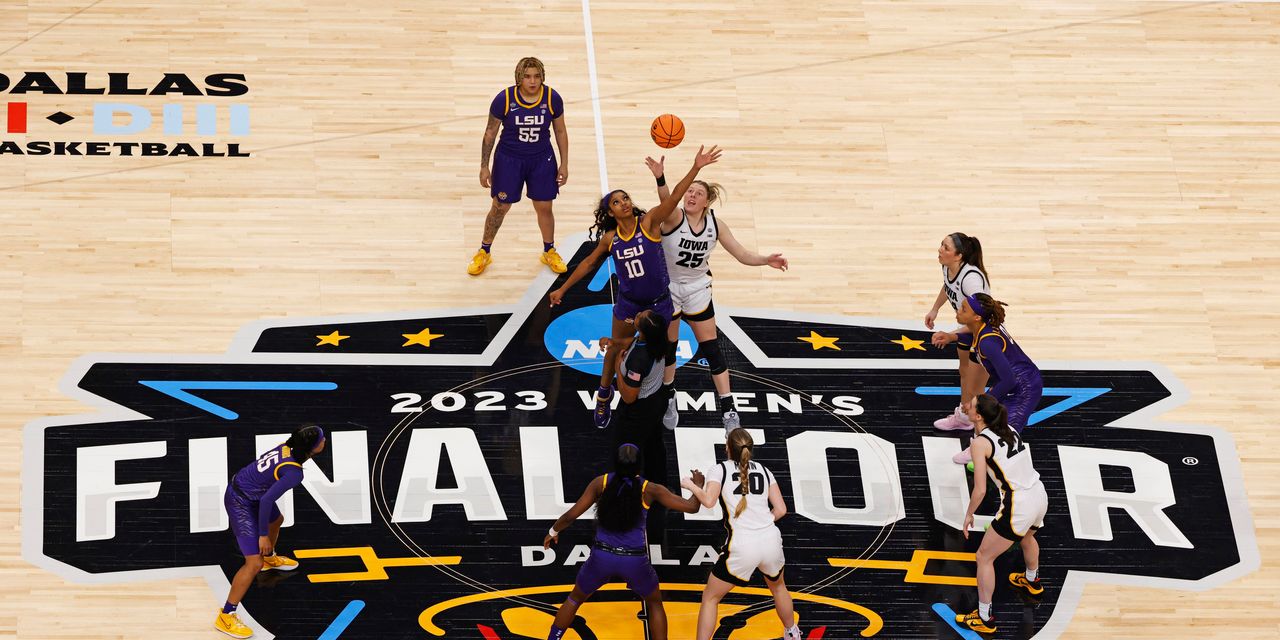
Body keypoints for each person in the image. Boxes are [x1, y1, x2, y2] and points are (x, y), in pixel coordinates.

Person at [549, 146, 722, 429]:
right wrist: (563, 289)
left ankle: (662, 397)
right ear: (610, 212)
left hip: (659, 302)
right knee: (616, 347)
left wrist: (696, 167)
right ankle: (604, 395)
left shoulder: (650, 222)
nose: (624, 203)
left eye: (626, 198)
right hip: (630, 303)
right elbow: (589, 264)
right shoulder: (610, 239)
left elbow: (677, 195)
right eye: (617, 202)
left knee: (663, 351)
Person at [643, 156, 789, 432]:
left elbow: (742, 254)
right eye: (689, 191)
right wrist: (660, 178)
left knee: (712, 349)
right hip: (669, 287)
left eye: (698, 193)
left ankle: (728, 409)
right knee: (669, 347)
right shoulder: (674, 216)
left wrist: (765, 259)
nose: (691, 195)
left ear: (707, 201)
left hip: (698, 287)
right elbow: (668, 198)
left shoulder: (716, 225)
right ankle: (669, 395)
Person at [542, 443, 703, 640]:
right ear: (639, 467)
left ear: (614, 464)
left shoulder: (600, 483)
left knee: (574, 599)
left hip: (602, 557)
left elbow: (571, 515)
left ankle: (553, 638)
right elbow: (692, 507)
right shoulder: (650, 489)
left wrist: (553, 530)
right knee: (654, 603)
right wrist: (697, 485)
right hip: (634, 561)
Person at [680, 428, 801, 640]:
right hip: (770, 540)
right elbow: (781, 510)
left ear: (728, 448)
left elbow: (708, 501)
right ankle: (793, 633)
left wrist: (690, 485)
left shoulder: (719, 470)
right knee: (779, 588)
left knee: (710, 598)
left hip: (742, 545)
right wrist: (761, 523)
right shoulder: (765, 470)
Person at [215, 426, 327, 639]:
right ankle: (226, 615)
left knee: (278, 519)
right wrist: (262, 535)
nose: (325, 441)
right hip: (240, 501)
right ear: (312, 448)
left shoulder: (286, 447)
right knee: (253, 564)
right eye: (322, 439)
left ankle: (269, 558)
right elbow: (267, 500)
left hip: (251, 492)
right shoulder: (294, 473)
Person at [468, 57, 570, 276]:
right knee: (500, 207)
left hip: (541, 159)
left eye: (537, 76)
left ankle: (549, 250)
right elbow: (490, 133)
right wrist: (484, 166)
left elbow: (560, 131)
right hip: (509, 160)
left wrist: (565, 163)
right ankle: (484, 251)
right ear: (519, 78)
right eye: (527, 76)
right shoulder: (504, 99)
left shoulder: (552, 98)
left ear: (542, 77)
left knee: (544, 207)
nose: (532, 81)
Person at [956, 394, 1048, 634]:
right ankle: (1031, 580)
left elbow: (980, 490)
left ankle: (985, 618)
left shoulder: (979, 443)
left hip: (1019, 503)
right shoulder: (1007, 427)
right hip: (1038, 493)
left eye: (972, 404)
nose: (967, 405)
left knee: (984, 558)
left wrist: (969, 514)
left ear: (978, 416)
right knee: (1028, 537)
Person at [939, 292, 1043, 464]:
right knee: (984, 416)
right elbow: (972, 335)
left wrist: (979, 403)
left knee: (1004, 434)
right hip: (1016, 381)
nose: (959, 310)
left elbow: (1009, 380)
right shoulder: (983, 328)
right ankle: (978, 448)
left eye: (964, 308)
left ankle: (987, 460)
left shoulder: (987, 343)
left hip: (1024, 389)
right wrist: (952, 337)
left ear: (977, 317)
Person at [925, 233, 990, 431]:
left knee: (976, 389)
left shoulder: (971, 280)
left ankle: (982, 440)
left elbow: (982, 318)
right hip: (968, 330)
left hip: (985, 335)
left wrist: (952, 335)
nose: (940, 250)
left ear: (958, 255)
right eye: (941, 244)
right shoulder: (948, 267)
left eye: (945, 247)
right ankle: (963, 417)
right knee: (964, 372)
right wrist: (935, 308)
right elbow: (948, 287)